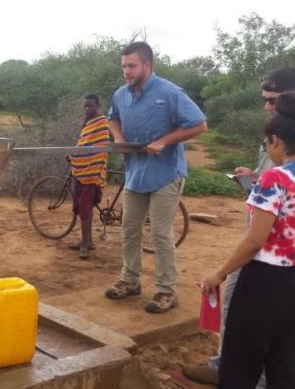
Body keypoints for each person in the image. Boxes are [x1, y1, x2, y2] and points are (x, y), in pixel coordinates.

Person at [183, 67, 295, 386]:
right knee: (283, 359)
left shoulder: (274, 178)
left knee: (240, 361)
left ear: (277, 140)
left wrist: (218, 272)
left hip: (263, 281)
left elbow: (254, 241)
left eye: (268, 143)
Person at [104, 41, 207, 313]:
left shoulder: (170, 92)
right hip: (135, 173)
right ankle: (130, 280)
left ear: (147, 65)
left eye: (132, 66)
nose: (127, 71)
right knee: (129, 229)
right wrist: (119, 137)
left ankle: (166, 291)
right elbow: (112, 118)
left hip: (166, 174)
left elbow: (200, 124)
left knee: (160, 234)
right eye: (124, 66)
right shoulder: (121, 94)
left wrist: (165, 141)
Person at [69, 94, 109, 259]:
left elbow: (99, 147)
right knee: (81, 207)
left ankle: (85, 245)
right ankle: (88, 241)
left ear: (98, 106)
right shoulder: (87, 122)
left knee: (85, 207)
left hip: (93, 171)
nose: (87, 109)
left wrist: (75, 156)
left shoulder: (102, 122)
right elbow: (83, 144)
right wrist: (74, 155)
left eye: (90, 106)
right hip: (81, 170)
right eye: (85, 106)